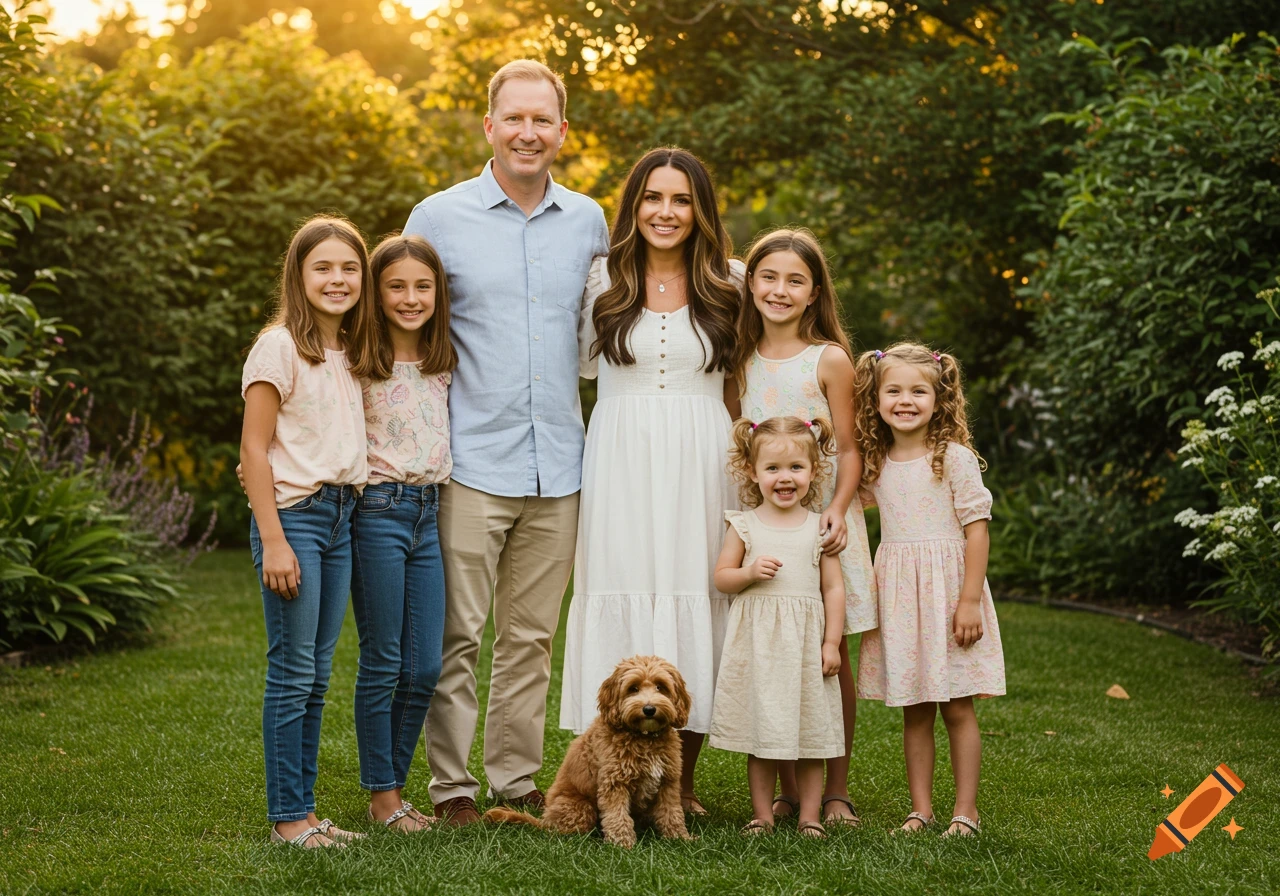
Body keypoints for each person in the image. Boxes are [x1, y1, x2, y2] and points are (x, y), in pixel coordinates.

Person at [403, 60, 609, 825]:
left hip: (560, 463)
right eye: (513, 117)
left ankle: (516, 777)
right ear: (489, 126)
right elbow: (398, 320)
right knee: (456, 635)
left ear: (562, 131)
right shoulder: (437, 216)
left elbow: (610, 321)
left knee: (529, 639)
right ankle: (453, 788)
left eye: (542, 119)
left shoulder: (590, 220)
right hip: (469, 460)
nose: (528, 132)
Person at [559, 147, 742, 816]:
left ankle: (680, 785)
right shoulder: (600, 280)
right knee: (626, 588)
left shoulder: (732, 280)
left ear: (700, 211)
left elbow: (745, 386)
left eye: (682, 200)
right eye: (653, 198)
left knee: (695, 594)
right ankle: (610, 777)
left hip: (703, 459)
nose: (667, 212)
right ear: (633, 206)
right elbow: (575, 365)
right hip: (621, 458)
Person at [240, 215, 378, 848]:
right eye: (322, 267)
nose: (338, 279)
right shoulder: (279, 346)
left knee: (317, 675)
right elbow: (253, 448)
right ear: (298, 276)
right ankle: (288, 818)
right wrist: (273, 539)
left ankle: (307, 811)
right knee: (292, 673)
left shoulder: (350, 349)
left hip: (343, 518)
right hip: (297, 517)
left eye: (349, 268)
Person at [733, 227, 876, 826]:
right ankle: (791, 789)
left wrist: (838, 509)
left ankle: (835, 788)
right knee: (780, 653)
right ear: (751, 284)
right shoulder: (737, 361)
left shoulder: (830, 359)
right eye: (768, 277)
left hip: (823, 526)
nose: (780, 290)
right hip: (769, 529)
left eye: (796, 280)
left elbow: (849, 448)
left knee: (828, 654)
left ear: (815, 292)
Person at [852, 342, 1006, 837]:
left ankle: (966, 811)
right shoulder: (877, 462)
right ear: (875, 399)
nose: (905, 400)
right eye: (892, 390)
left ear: (939, 399)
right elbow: (848, 502)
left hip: (948, 594)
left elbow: (977, 529)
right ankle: (921, 810)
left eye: (918, 391)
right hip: (901, 599)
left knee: (956, 705)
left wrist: (968, 601)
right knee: (914, 710)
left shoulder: (953, 458)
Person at [347, 235, 457, 832]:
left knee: (425, 668)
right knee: (384, 659)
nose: (411, 298)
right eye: (396, 286)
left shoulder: (443, 361)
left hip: (427, 512)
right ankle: (385, 797)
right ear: (376, 291)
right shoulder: (356, 360)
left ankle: (388, 787)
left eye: (422, 286)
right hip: (377, 513)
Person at [710, 416, 847, 840]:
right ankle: (762, 815)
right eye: (772, 469)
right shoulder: (745, 525)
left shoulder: (819, 527)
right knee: (761, 735)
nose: (784, 478)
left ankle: (810, 815)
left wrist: (832, 644)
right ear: (752, 472)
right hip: (761, 648)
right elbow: (721, 577)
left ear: (813, 471)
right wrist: (749, 571)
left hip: (805, 647)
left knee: (811, 736)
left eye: (795, 468)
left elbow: (834, 589)